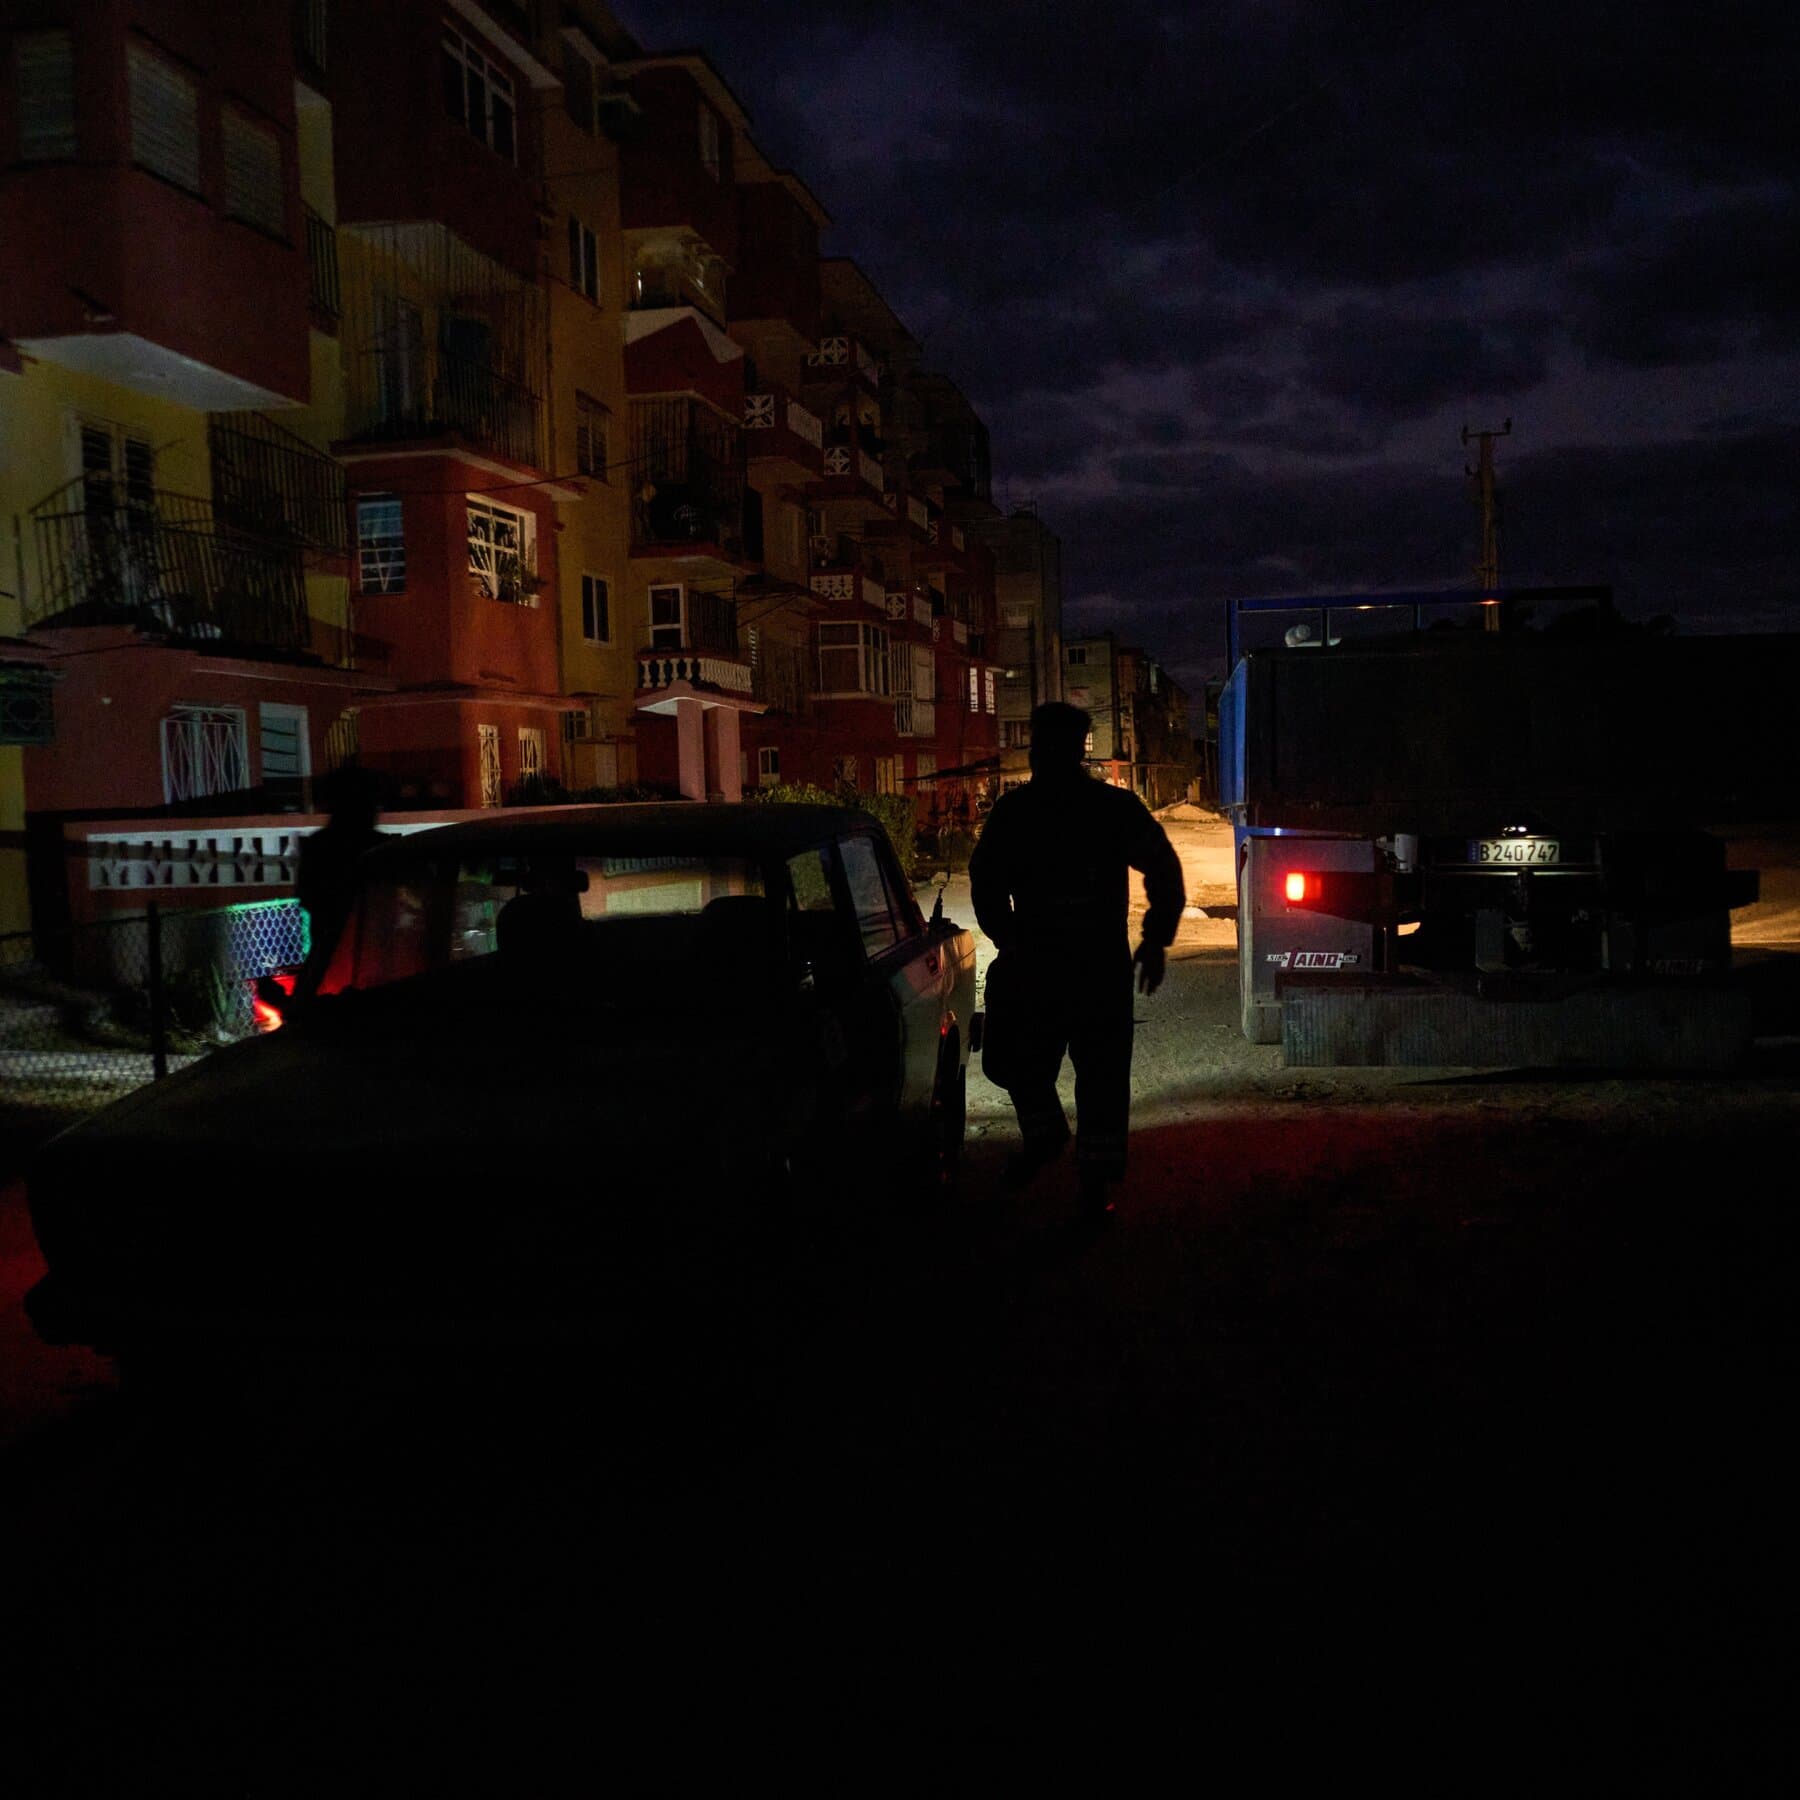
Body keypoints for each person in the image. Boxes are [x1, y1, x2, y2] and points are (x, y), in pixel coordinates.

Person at [970, 701, 1185, 1220]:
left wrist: (1010, 940)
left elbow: (986, 882)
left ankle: (1065, 1156)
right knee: (1096, 1078)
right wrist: (1154, 941)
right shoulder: (1110, 808)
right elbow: (1163, 868)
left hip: (1042, 967)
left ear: (1042, 750)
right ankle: (1089, 1179)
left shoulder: (1018, 812)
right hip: (1093, 969)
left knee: (1030, 1062)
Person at [293, 762, 384, 1000]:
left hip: (331, 959)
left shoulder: (318, 846)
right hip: (366, 959)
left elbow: (307, 898)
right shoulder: (379, 849)